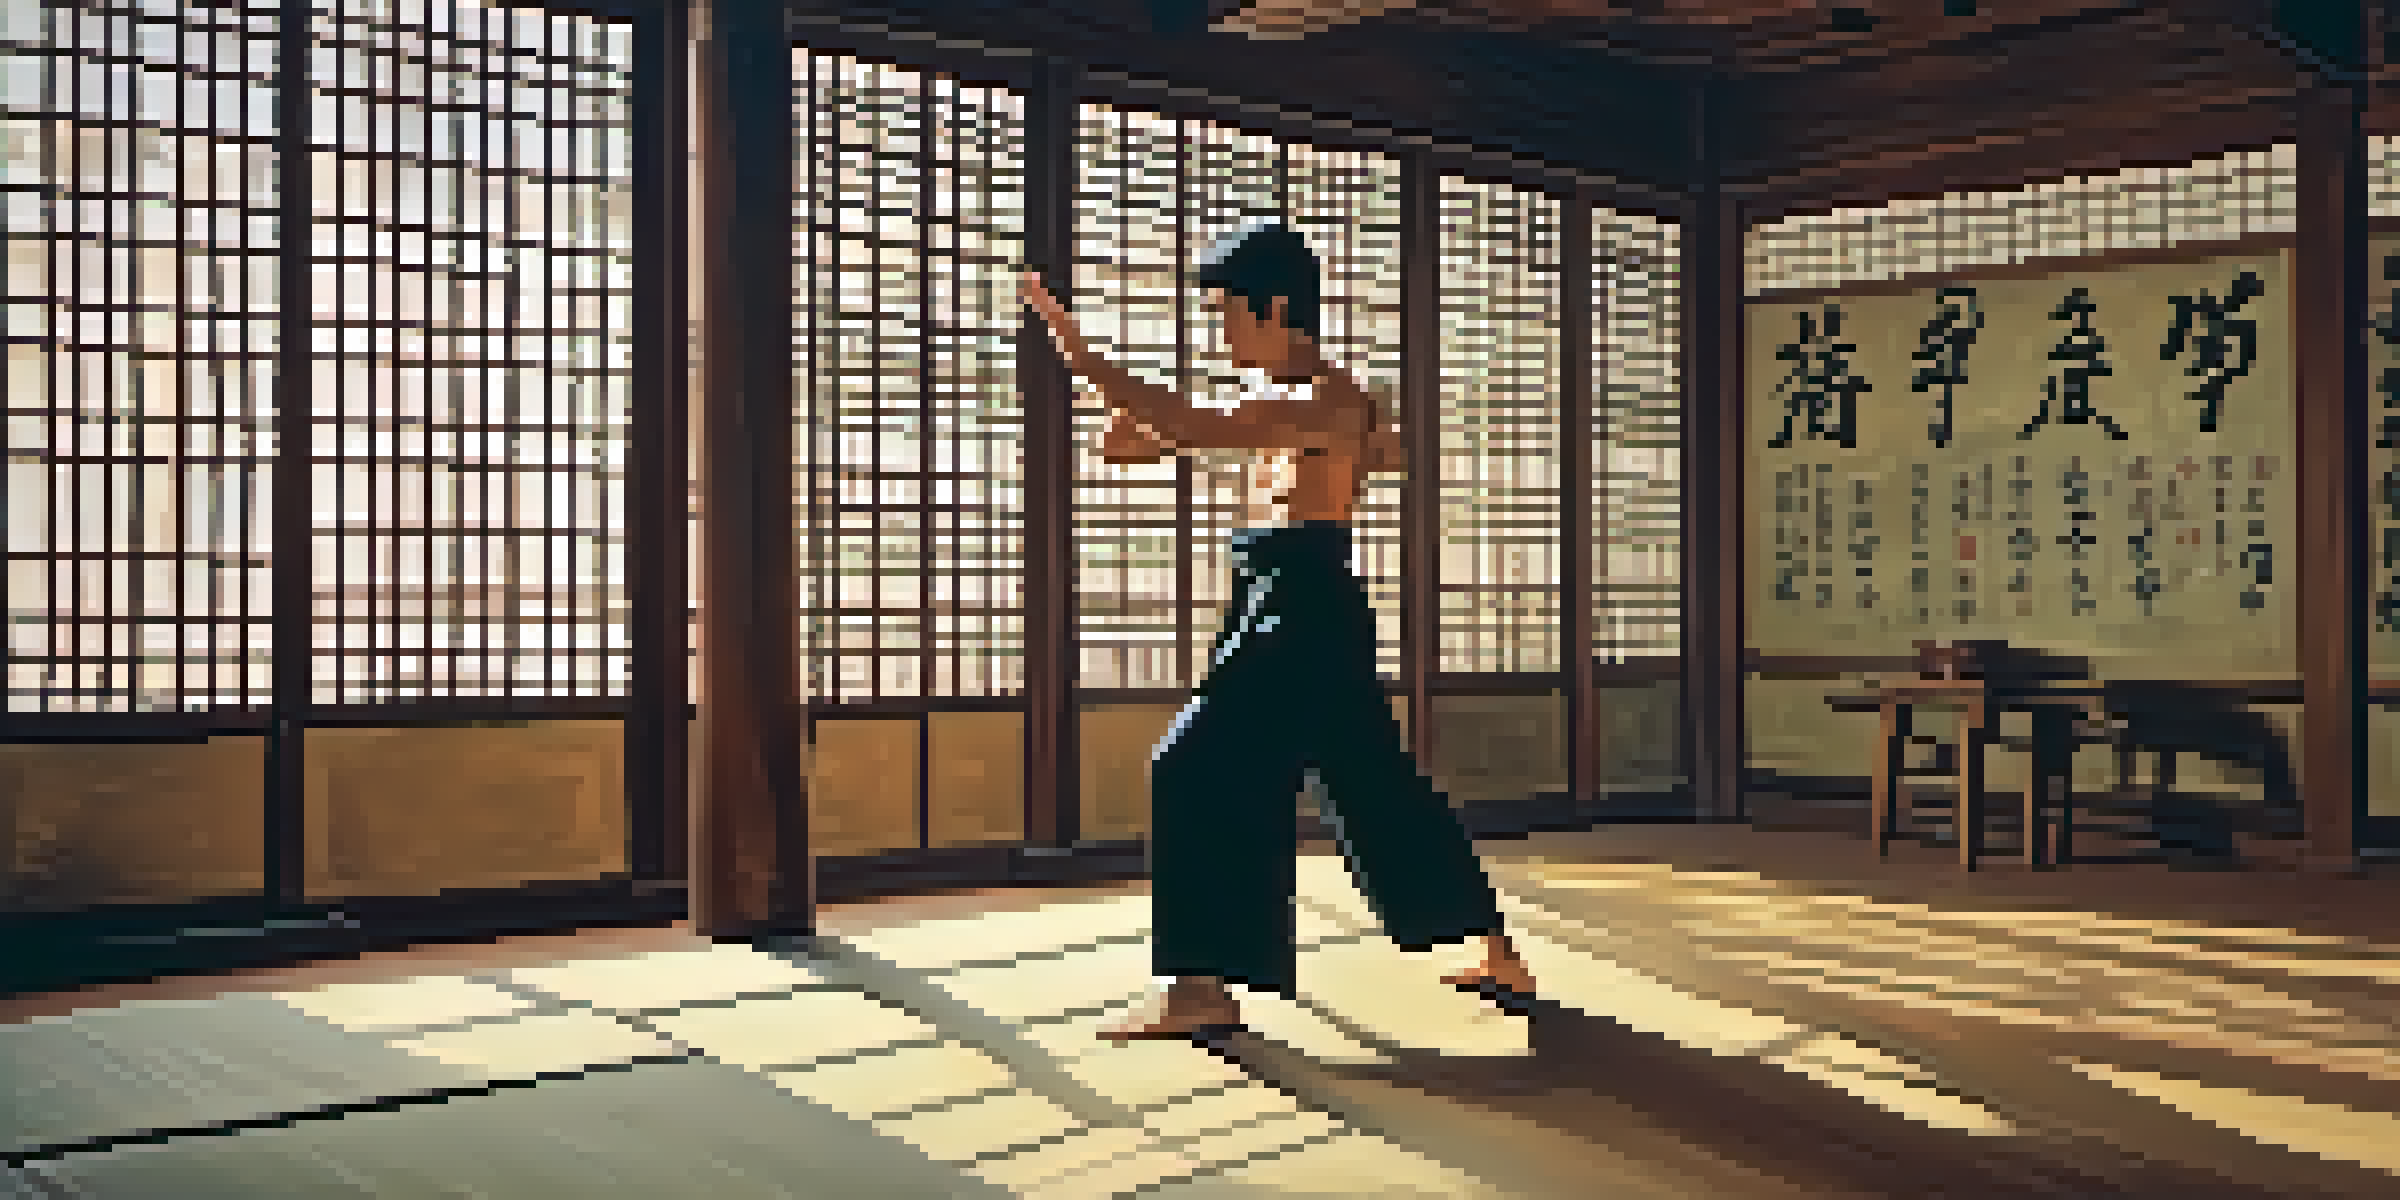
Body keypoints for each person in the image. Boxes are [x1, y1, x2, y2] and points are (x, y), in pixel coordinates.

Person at [1019, 220, 1540, 1042]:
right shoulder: (1291, 404)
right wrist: (1139, 419)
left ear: (1275, 308)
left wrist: (1086, 360)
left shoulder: (1328, 399)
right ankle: (1493, 947)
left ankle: (1200, 988)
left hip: (1300, 606)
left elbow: (1195, 428)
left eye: (1230, 313)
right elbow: (1154, 440)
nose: (1222, 331)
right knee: (1373, 785)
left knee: (1190, 766)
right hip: (1288, 599)